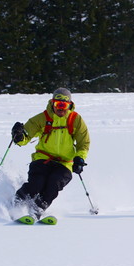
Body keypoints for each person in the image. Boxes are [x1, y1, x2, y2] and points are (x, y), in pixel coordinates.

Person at [11, 87, 90, 217]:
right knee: (37, 183)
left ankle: (38, 209)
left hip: (64, 163)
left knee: (54, 184)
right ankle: (17, 203)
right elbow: (24, 138)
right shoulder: (41, 118)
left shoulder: (76, 120)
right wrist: (18, 136)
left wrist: (79, 159)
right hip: (42, 159)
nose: (61, 108)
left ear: (70, 105)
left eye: (64, 105)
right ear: (52, 103)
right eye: (58, 104)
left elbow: (84, 143)